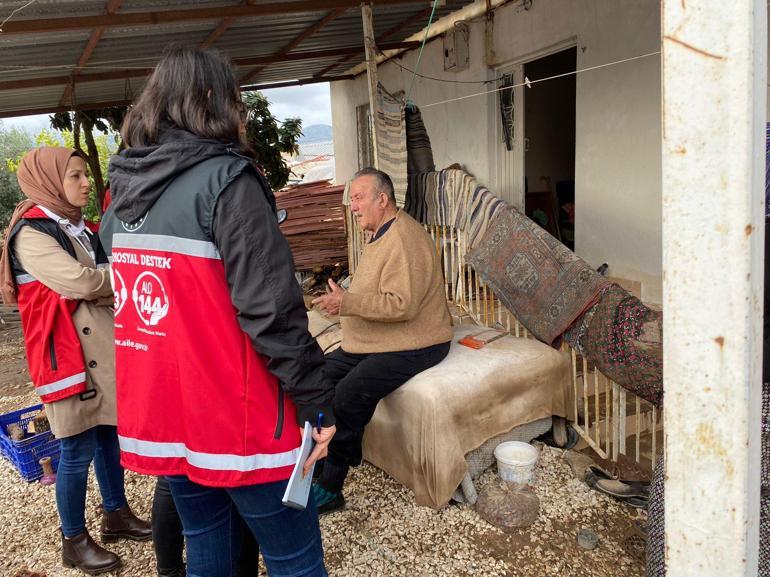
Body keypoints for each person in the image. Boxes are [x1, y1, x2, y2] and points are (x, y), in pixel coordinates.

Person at [98, 46, 336, 577]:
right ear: (209, 100)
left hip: (167, 419)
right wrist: (317, 403)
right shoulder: (228, 182)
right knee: (294, 559)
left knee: (208, 547)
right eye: (235, 98)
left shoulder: (125, 193)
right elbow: (272, 313)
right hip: (238, 422)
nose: (242, 112)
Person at [0, 147, 151, 575]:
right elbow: (80, 280)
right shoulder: (32, 233)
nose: (87, 183)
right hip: (64, 357)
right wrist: (119, 278)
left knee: (107, 436)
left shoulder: (76, 227)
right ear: (49, 180)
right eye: (76, 176)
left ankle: (116, 514)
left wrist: (97, 284)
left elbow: (89, 281)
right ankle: (73, 538)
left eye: (86, 174)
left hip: (96, 351)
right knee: (75, 447)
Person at [311, 168, 453, 514]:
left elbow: (401, 304)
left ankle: (331, 486)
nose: (353, 206)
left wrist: (347, 303)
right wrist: (344, 300)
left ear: (383, 199)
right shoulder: (380, 233)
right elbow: (375, 293)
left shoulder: (404, 238)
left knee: (347, 396)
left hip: (419, 339)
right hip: (382, 336)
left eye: (358, 198)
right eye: (352, 199)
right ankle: (316, 459)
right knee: (318, 377)